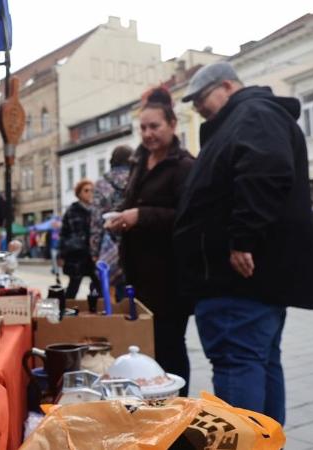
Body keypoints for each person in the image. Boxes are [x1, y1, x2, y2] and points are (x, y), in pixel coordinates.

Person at [173, 61, 313, 424]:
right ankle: (266, 443)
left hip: (236, 283)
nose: (197, 109)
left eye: (201, 99)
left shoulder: (252, 113)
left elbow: (265, 169)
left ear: (226, 86)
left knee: (239, 366)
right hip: (247, 284)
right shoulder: (247, 117)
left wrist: (242, 239)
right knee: (258, 361)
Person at [105, 88, 195, 395]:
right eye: (143, 128)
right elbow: (133, 205)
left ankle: (177, 406)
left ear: (172, 124)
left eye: (154, 126)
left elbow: (186, 217)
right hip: (138, 275)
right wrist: (120, 219)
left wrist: (139, 215)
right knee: (146, 346)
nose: (147, 134)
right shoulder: (138, 163)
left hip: (170, 276)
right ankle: (149, 405)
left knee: (170, 345)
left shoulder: (184, 166)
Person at [90, 144, 133, 301]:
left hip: (110, 243)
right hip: (135, 241)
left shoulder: (102, 184)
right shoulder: (137, 179)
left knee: (114, 291)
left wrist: (94, 251)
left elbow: (96, 219)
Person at [58, 180, 101, 300]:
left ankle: (98, 312)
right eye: (86, 190)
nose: (90, 193)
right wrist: (61, 255)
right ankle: (66, 313)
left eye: (92, 190)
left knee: (100, 287)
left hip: (93, 255)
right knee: (73, 287)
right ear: (79, 193)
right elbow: (64, 234)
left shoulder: (97, 210)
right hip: (77, 255)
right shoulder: (72, 210)